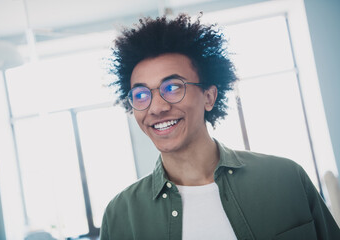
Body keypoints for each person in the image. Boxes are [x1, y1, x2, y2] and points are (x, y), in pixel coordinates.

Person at [100, 13, 340, 240]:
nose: (157, 107)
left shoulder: (286, 179)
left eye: (173, 87)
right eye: (141, 94)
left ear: (209, 97)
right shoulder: (119, 215)